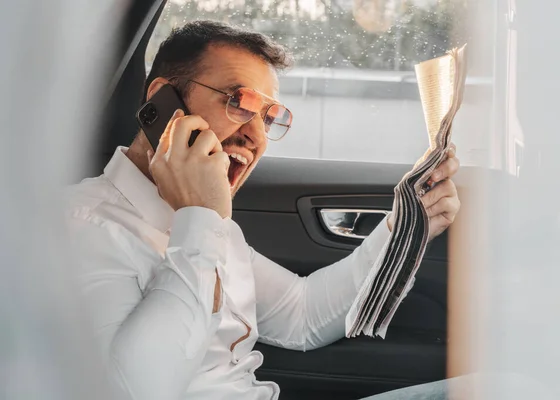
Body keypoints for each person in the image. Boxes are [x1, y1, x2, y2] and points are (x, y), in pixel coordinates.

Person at [65, 20, 460, 399]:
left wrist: (410, 222)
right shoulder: (82, 226)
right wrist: (200, 220)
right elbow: (132, 391)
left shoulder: (212, 226)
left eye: (268, 117)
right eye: (238, 102)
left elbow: (302, 314)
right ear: (162, 102)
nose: (255, 135)